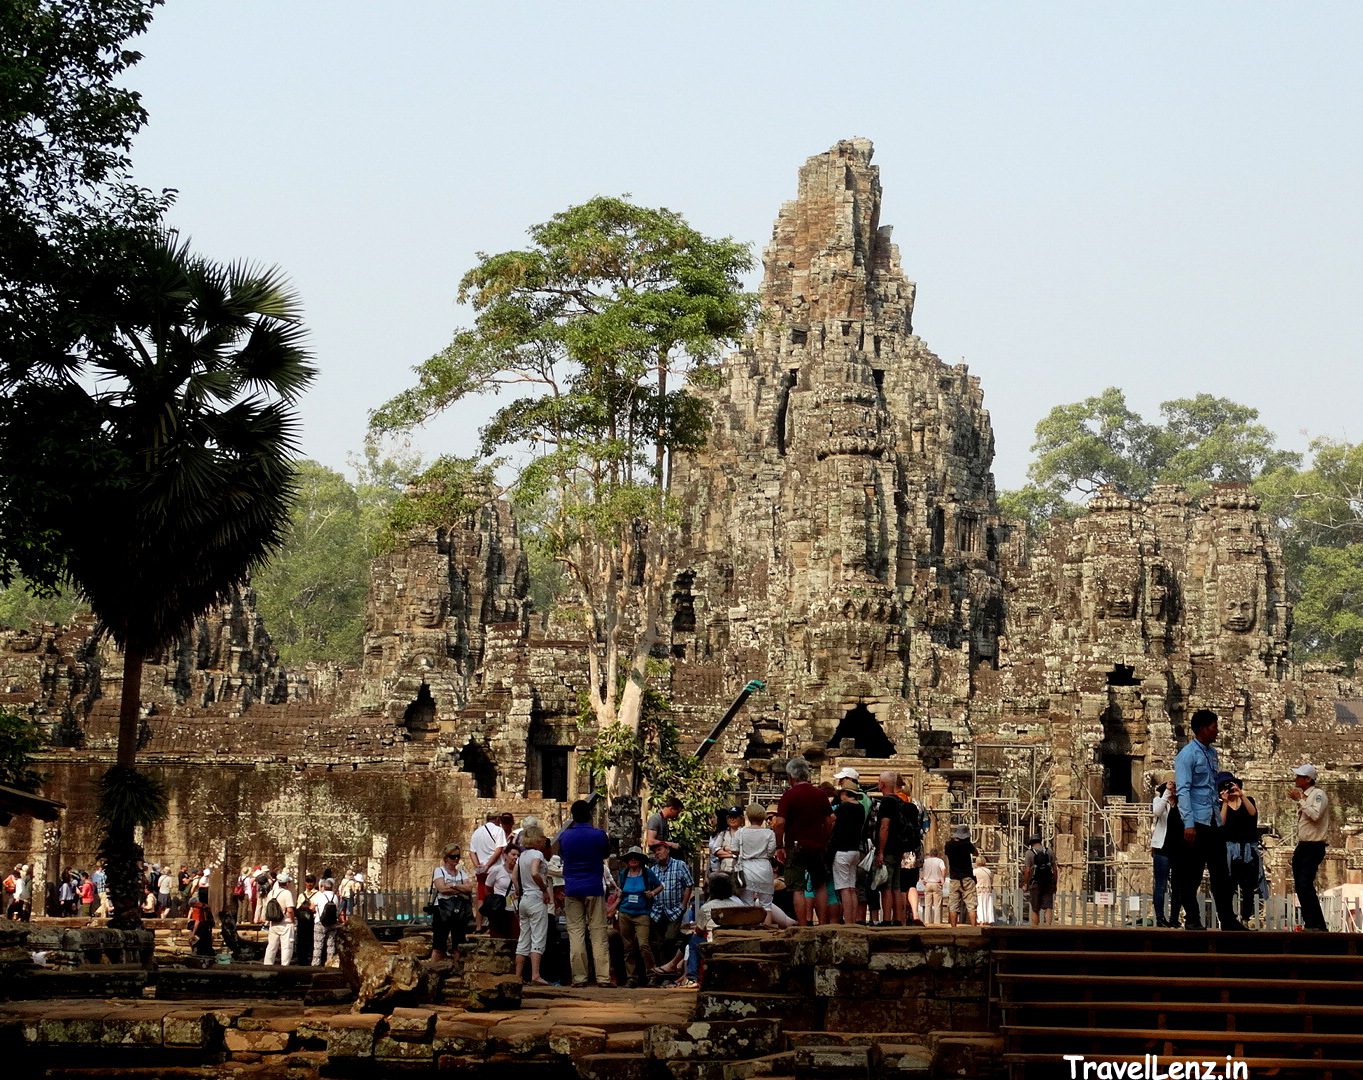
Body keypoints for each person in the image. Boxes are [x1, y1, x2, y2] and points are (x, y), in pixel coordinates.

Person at [1174, 709, 1244, 931]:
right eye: (1214, 726)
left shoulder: (1212, 754)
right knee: (1192, 874)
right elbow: (1184, 790)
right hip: (1196, 822)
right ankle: (1193, 918)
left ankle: (1228, 919)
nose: (1217, 730)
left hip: (1213, 821)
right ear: (1203, 728)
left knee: (1221, 874)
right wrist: (1188, 823)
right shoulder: (1187, 755)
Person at [558, 798, 612, 987]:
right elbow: (605, 854)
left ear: (572, 816)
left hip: (572, 887)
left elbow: (563, 856)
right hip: (594, 887)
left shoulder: (565, 837)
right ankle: (603, 977)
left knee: (576, 933)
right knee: (598, 932)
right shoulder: (599, 835)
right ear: (589, 815)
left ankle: (579, 977)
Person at [773, 756, 831, 926]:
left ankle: (803, 924)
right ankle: (822, 923)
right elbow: (830, 820)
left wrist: (779, 845)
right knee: (820, 885)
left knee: (797, 888)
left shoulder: (789, 796)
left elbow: (780, 823)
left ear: (791, 777)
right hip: (817, 845)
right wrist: (824, 838)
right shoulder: (820, 794)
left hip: (796, 845)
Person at [1289, 763, 1330, 932]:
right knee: (1300, 884)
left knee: (1305, 883)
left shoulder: (1318, 795)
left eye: (1300, 776)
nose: (1296, 778)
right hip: (1303, 844)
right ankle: (1310, 922)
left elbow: (1315, 815)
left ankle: (1317, 923)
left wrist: (1300, 800)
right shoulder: (1307, 797)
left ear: (1308, 779)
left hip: (1313, 845)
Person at [647, 839, 694, 982]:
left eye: (660, 850)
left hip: (674, 910)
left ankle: (670, 970)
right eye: (655, 851)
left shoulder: (679, 865)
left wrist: (683, 905)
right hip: (657, 911)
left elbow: (689, 884)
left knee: (670, 939)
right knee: (658, 943)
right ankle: (661, 973)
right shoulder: (653, 870)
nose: (657, 853)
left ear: (667, 850)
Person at [1218, 772, 1261, 925]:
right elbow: (1221, 823)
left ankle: (1245, 917)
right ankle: (1230, 917)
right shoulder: (1221, 805)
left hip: (1248, 848)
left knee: (1248, 886)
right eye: (1224, 787)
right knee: (1229, 885)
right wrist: (1225, 802)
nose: (1228, 789)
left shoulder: (1248, 800)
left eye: (1230, 786)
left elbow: (1253, 813)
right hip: (1230, 849)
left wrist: (1241, 795)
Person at [615, 846, 661, 987]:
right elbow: (619, 890)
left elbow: (660, 886)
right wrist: (618, 895)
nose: (633, 860)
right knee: (628, 947)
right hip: (625, 913)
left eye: (636, 857)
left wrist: (652, 893)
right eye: (631, 858)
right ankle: (631, 977)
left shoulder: (647, 874)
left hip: (642, 914)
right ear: (627, 860)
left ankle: (652, 974)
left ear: (641, 860)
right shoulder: (623, 874)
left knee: (643, 945)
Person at [514, 837, 553, 985]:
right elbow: (535, 872)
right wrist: (543, 889)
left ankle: (517, 975)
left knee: (523, 937)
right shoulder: (537, 855)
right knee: (538, 936)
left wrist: (518, 890)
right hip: (536, 898)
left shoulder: (522, 856)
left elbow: (514, 876)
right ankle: (535, 974)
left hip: (524, 899)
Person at [430, 844, 472, 962]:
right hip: (443, 910)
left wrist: (453, 885)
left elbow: (469, 888)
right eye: (453, 857)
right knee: (439, 942)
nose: (456, 859)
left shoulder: (461, 872)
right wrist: (460, 889)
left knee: (458, 941)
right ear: (446, 858)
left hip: (458, 909)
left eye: (458, 856)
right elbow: (442, 888)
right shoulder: (439, 871)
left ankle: (457, 966)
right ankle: (434, 967)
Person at [830, 786, 866, 923]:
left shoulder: (844, 808)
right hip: (855, 849)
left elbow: (831, 820)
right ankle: (852, 920)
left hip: (842, 850)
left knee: (844, 888)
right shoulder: (860, 808)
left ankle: (848, 920)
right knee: (852, 887)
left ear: (845, 793)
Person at [469, 814, 507, 932]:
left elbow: (472, 852)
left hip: (481, 871)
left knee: (481, 898)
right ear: (497, 819)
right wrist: (488, 865)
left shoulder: (477, 832)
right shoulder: (499, 830)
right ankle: (493, 926)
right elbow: (498, 850)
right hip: (495, 869)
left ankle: (479, 926)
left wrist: (478, 866)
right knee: (496, 898)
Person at [1150, 777, 1178, 927]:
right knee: (1161, 884)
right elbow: (1157, 812)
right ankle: (1160, 917)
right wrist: (1166, 793)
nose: (1173, 789)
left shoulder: (1182, 804)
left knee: (1177, 885)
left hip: (1178, 848)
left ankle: (1174, 917)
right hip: (1162, 847)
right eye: (1171, 786)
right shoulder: (1159, 801)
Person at [943, 824, 978, 928]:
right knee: (971, 904)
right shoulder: (967, 844)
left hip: (954, 877)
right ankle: (973, 927)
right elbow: (976, 853)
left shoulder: (948, 845)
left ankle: (953, 928)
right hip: (967, 877)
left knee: (953, 905)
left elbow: (947, 854)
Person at [262, 871, 296, 965]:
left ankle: (267, 965)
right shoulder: (287, 893)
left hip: (273, 922)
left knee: (271, 947)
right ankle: (284, 966)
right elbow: (289, 910)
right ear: (287, 883)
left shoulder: (271, 893)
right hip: (285, 922)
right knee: (286, 946)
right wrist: (293, 921)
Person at [1023, 834, 1055, 926]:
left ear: (1031, 843)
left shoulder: (1029, 853)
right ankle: (1048, 926)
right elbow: (1055, 868)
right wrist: (1055, 882)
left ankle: (1035, 928)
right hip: (1048, 882)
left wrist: (1026, 883)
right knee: (1048, 906)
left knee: (1035, 908)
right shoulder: (1049, 851)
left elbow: (1027, 870)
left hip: (1035, 883)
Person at [311, 877, 341, 966]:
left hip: (320, 922)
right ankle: (330, 962)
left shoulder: (320, 896)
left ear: (323, 887)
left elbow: (312, 907)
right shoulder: (335, 897)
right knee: (330, 945)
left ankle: (316, 964)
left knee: (318, 945)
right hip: (332, 923)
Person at [708, 806, 744, 878]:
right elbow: (716, 851)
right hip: (724, 871)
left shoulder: (744, 833)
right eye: (730, 817)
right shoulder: (723, 833)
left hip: (740, 871)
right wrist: (733, 854)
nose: (732, 819)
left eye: (735, 817)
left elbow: (744, 852)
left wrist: (725, 848)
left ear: (741, 819)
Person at [294, 873, 318, 966]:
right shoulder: (301, 895)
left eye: (311, 882)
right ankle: (301, 960)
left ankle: (309, 960)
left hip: (312, 922)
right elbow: (297, 908)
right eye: (308, 882)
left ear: (314, 883)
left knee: (310, 942)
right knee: (301, 942)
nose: (309, 884)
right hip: (302, 922)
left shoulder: (318, 894)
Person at [919, 850, 946, 924]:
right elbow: (943, 869)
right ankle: (937, 923)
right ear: (937, 854)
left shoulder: (926, 861)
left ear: (930, 854)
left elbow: (922, 870)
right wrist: (942, 879)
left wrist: (923, 879)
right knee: (937, 905)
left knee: (927, 905)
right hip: (936, 883)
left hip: (927, 883)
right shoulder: (940, 861)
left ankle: (927, 922)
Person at [974, 855, 995, 925]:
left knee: (980, 905)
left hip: (979, 890)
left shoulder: (975, 871)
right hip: (988, 890)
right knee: (988, 905)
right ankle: (989, 920)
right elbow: (991, 880)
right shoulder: (988, 871)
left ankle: (981, 920)